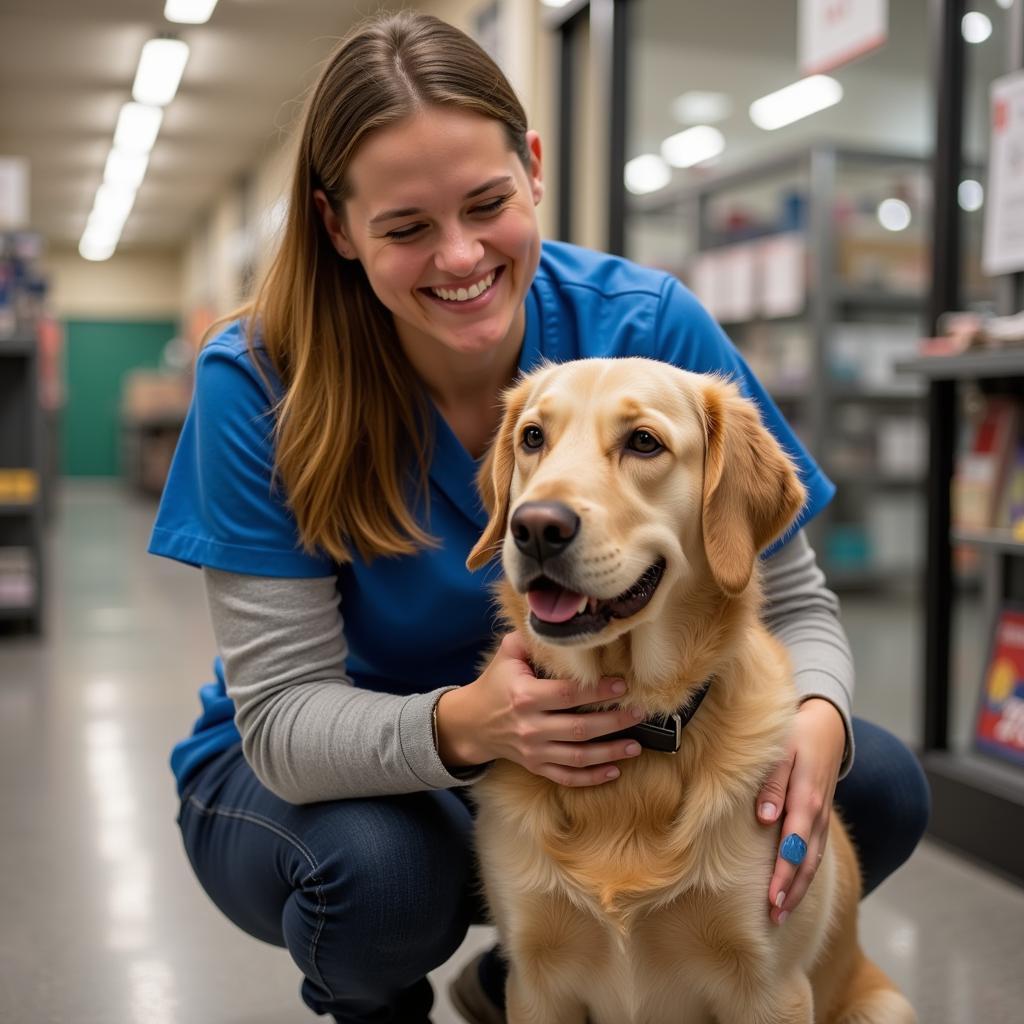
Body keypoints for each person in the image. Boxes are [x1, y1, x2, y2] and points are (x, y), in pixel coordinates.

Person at [149, 10, 930, 1024]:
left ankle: (524, 978)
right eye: (405, 227)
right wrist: (471, 724)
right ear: (337, 227)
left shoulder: (647, 326)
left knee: (874, 785)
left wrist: (815, 721)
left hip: (609, 741)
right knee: (381, 881)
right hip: (336, 773)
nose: (461, 255)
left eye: (486, 203)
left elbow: (790, 592)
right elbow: (286, 721)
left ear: (533, 165)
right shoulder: (256, 379)